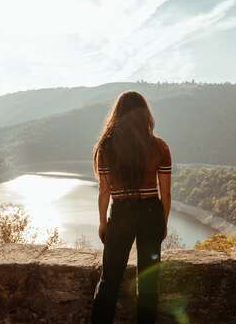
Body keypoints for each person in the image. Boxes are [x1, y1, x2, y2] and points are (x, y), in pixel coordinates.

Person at [90, 91, 172, 324]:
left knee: (109, 281)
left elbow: (105, 191)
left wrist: (103, 223)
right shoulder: (160, 147)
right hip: (151, 214)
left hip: (122, 213)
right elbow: (165, 193)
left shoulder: (106, 148)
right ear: (145, 114)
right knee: (148, 285)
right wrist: (162, 223)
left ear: (117, 114)